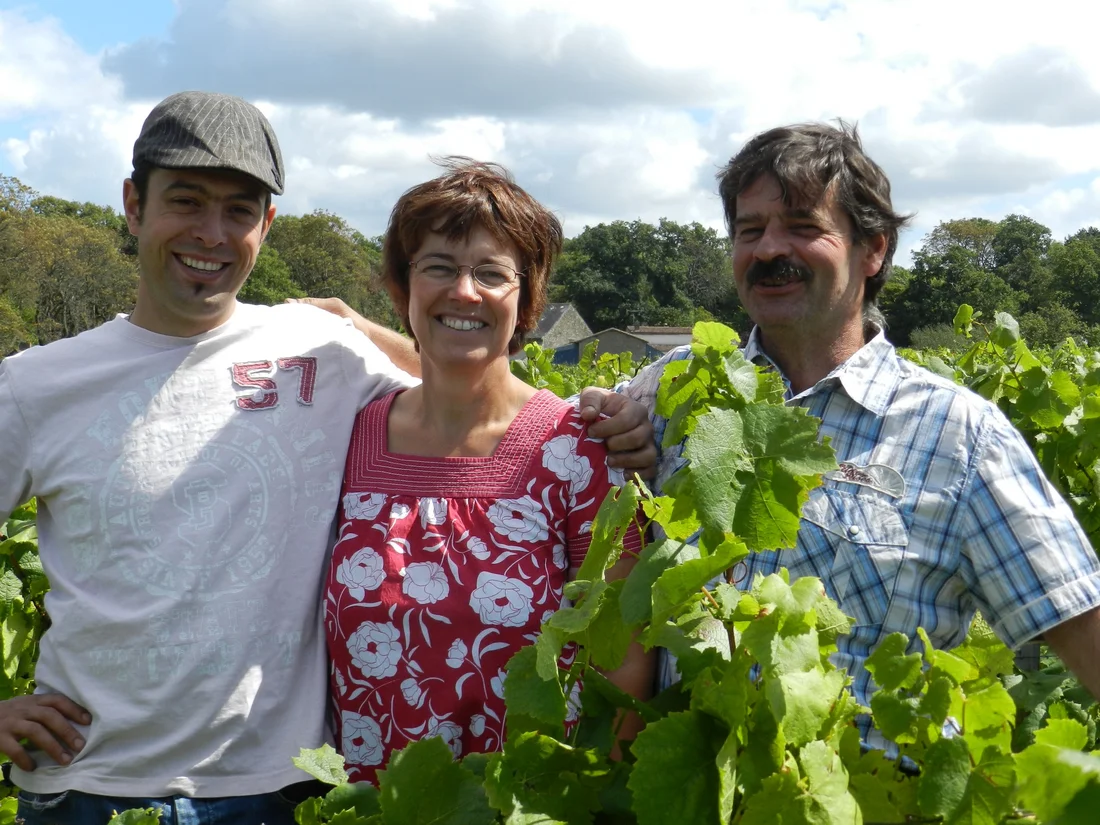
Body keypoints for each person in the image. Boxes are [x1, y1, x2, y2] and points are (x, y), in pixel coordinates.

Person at [0, 92, 654, 824]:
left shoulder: (320, 355)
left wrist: (601, 412)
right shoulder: (36, 385)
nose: (211, 233)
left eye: (239, 210)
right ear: (132, 204)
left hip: (279, 791)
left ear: (267, 225)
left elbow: (462, 376)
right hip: (88, 787)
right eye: (185, 201)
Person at [622, 121, 1100, 745]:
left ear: (872, 250)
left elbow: (1079, 621)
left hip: (871, 786)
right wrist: (604, 414)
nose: (768, 250)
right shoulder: (674, 389)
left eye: (803, 226)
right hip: (695, 780)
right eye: (749, 230)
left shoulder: (960, 436)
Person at [324, 159, 653, 783]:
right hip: (370, 805)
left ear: (526, 300)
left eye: (491, 273)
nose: (464, 292)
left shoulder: (579, 451)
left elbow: (623, 661)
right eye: (438, 267)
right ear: (402, 286)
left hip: (530, 803)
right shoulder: (349, 436)